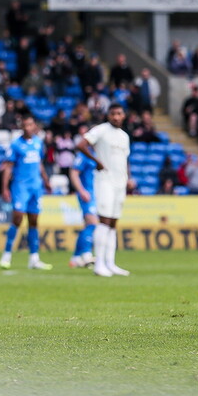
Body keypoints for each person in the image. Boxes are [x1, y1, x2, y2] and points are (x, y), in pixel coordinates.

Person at [76, 104, 131, 278]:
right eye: (113, 113)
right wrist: (97, 161)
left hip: (119, 183)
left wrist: (128, 178)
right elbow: (81, 145)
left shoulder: (124, 136)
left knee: (113, 223)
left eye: (119, 114)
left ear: (124, 116)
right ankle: (99, 264)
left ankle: (110, 263)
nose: (116, 117)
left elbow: (124, 160)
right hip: (105, 181)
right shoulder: (101, 130)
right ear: (108, 115)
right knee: (104, 222)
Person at [0, 115, 53, 271]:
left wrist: (46, 180)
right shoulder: (16, 145)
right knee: (17, 217)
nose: (28, 127)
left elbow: (39, 164)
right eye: (25, 125)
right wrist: (5, 188)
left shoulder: (38, 142)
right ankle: (6, 255)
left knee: (34, 221)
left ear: (34, 126)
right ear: (22, 127)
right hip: (21, 186)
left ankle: (34, 259)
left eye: (30, 124)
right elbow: (8, 167)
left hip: (36, 186)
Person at [68, 148, 98, 269]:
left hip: (98, 194)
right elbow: (74, 173)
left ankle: (75, 258)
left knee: (88, 226)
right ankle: (86, 255)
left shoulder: (100, 153)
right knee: (92, 223)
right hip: (87, 194)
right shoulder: (84, 154)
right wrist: (81, 190)